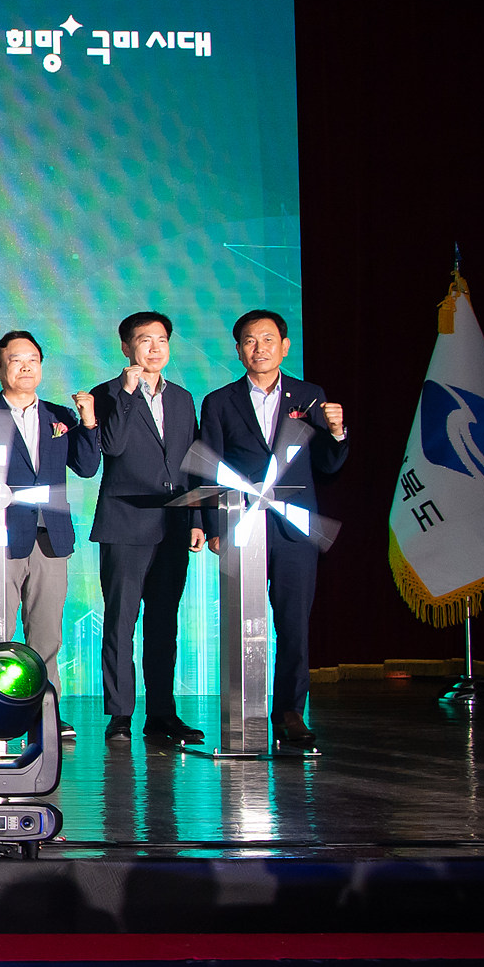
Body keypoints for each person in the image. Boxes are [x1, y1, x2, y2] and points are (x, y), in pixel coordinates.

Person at [196, 308, 347, 750]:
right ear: (238, 349)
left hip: (293, 527)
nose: (258, 348)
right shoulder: (219, 401)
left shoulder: (310, 396)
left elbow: (328, 465)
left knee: (293, 622)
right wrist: (213, 526)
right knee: (243, 623)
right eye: (249, 340)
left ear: (284, 346)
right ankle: (244, 711)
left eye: (267, 339)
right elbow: (209, 467)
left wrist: (337, 432)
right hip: (240, 525)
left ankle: (289, 713)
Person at [0, 330, 102, 738]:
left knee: (47, 634)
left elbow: (87, 467)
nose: (25, 367)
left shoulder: (60, 416)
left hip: (51, 537)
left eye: (33, 360)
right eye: (16, 361)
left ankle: (45, 714)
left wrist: (88, 421)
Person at [74, 311, 205, 747]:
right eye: (144, 340)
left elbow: (193, 464)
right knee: (120, 622)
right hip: (125, 524)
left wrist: (198, 518)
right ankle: (120, 714)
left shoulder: (182, 398)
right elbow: (111, 446)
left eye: (161, 339)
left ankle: (162, 713)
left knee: (164, 622)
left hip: (173, 524)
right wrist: (128, 394)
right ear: (126, 347)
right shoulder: (107, 393)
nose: (154, 348)